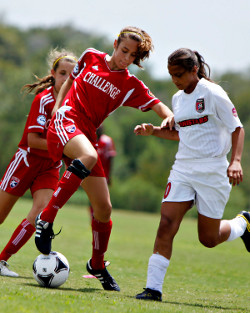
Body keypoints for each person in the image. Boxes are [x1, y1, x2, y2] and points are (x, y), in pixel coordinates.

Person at [34, 26, 175, 292]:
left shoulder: (130, 85)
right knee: (88, 156)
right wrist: (57, 106)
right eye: (124, 51)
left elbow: (157, 104)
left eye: (132, 56)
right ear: (115, 44)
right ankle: (47, 217)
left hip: (86, 136)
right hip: (66, 120)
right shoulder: (90, 56)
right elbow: (68, 82)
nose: (125, 58)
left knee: (104, 208)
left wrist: (168, 116)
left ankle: (97, 264)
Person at [134, 48, 249, 302]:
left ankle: (243, 223)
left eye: (179, 74)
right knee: (166, 224)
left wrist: (236, 161)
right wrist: (153, 130)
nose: (175, 80)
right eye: (171, 75)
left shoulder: (213, 93)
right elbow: (181, 134)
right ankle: (153, 289)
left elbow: (237, 127)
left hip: (212, 170)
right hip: (183, 168)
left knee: (208, 239)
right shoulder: (177, 99)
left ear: (194, 70)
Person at [0, 49, 77, 277]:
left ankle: (2, 259)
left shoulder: (74, 107)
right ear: (52, 74)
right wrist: (65, 145)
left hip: (50, 167)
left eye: (70, 75)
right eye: (62, 73)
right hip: (26, 161)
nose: (65, 78)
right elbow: (33, 141)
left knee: (41, 213)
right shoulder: (43, 100)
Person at [88, 125, 116, 218]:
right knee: (92, 199)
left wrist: (109, 176)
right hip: (91, 175)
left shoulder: (107, 141)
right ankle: (94, 218)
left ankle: (100, 218)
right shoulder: (89, 140)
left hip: (104, 175)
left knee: (102, 200)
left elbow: (111, 158)